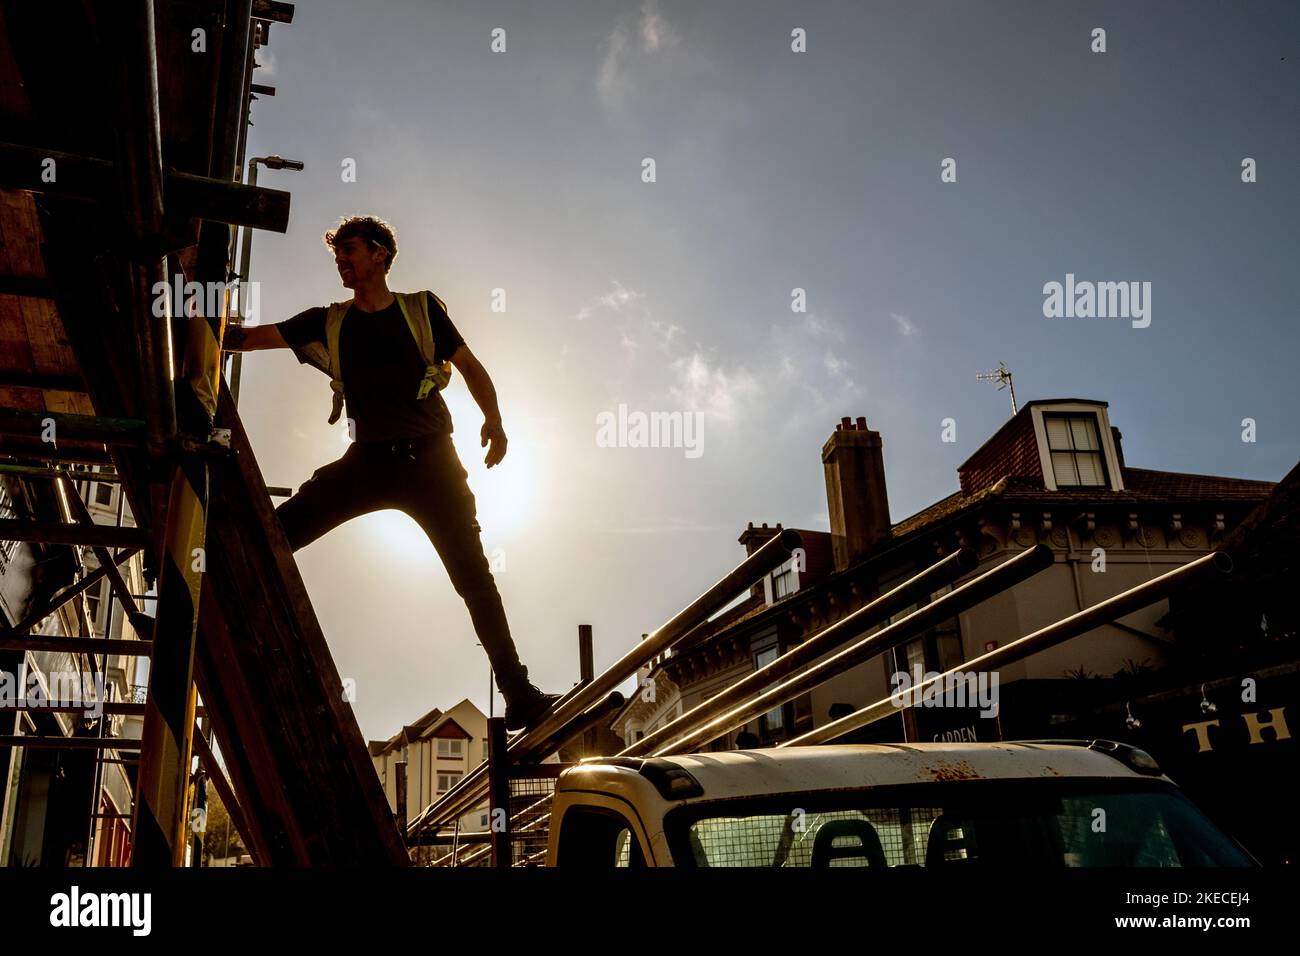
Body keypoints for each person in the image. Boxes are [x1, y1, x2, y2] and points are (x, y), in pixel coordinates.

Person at [223, 215, 558, 731]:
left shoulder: (421, 310)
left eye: (350, 250)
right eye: (337, 254)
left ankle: (519, 693)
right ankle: (209, 585)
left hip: (432, 464)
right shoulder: (327, 320)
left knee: (474, 577)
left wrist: (494, 419)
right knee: (277, 531)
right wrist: (199, 323)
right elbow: (247, 340)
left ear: (380, 254)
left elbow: (470, 367)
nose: (342, 260)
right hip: (369, 463)